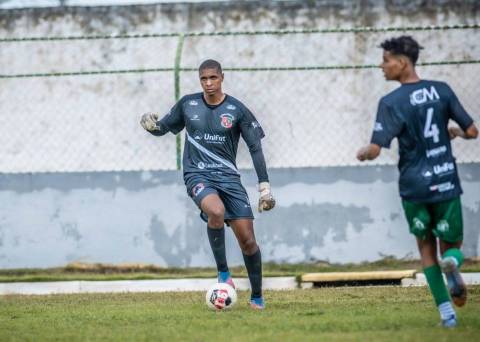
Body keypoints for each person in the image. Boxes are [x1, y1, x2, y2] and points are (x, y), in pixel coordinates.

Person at [356, 36, 478, 327]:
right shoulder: (442, 90)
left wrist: (365, 153)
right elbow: (472, 131)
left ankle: (447, 316)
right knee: (452, 246)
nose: (381, 66)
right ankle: (454, 264)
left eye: (386, 60)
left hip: (414, 186)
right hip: (446, 180)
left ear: (402, 62)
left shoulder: (390, 102)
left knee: (426, 250)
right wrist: (455, 133)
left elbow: (376, 148)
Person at [140, 59, 275, 309]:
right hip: (198, 174)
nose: (209, 83)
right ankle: (223, 273)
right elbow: (164, 128)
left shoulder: (237, 109)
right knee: (215, 210)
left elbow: (255, 147)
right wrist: (151, 126)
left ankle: (257, 296)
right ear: (199, 80)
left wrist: (264, 188)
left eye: (213, 78)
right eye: (204, 79)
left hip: (229, 179)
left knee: (248, 241)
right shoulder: (187, 105)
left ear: (222, 77)